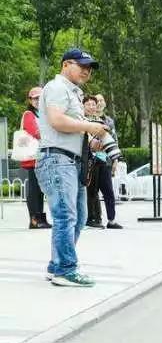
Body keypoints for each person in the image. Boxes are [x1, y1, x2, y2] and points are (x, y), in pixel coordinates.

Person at [36, 48, 109, 287]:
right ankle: (65, 269)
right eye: (82, 66)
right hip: (57, 159)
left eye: (89, 68)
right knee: (66, 216)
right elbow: (57, 121)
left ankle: (56, 265)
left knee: (78, 217)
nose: (87, 71)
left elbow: (71, 128)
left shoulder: (73, 93)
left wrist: (92, 140)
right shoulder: (57, 87)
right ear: (66, 64)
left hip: (71, 161)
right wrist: (88, 127)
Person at [82, 96, 121, 229]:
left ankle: (111, 220)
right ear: (83, 107)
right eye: (88, 104)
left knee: (108, 190)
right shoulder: (81, 121)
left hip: (104, 160)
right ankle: (91, 219)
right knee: (92, 190)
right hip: (90, 160)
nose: (91, 107)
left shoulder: (104, 122)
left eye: (93, 104)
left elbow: (112, 141)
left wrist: (115, 159)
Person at [20, 87, 50, 229]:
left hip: (41, 156)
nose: (38, 101)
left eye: (40, 98)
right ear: (30, 100)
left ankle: (40, 219)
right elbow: (36, 133)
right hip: (33, 156)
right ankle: (34, 220)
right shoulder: (29, 114)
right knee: (34, 188)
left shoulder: (42, 115)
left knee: (39, 188)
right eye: (35, 98)